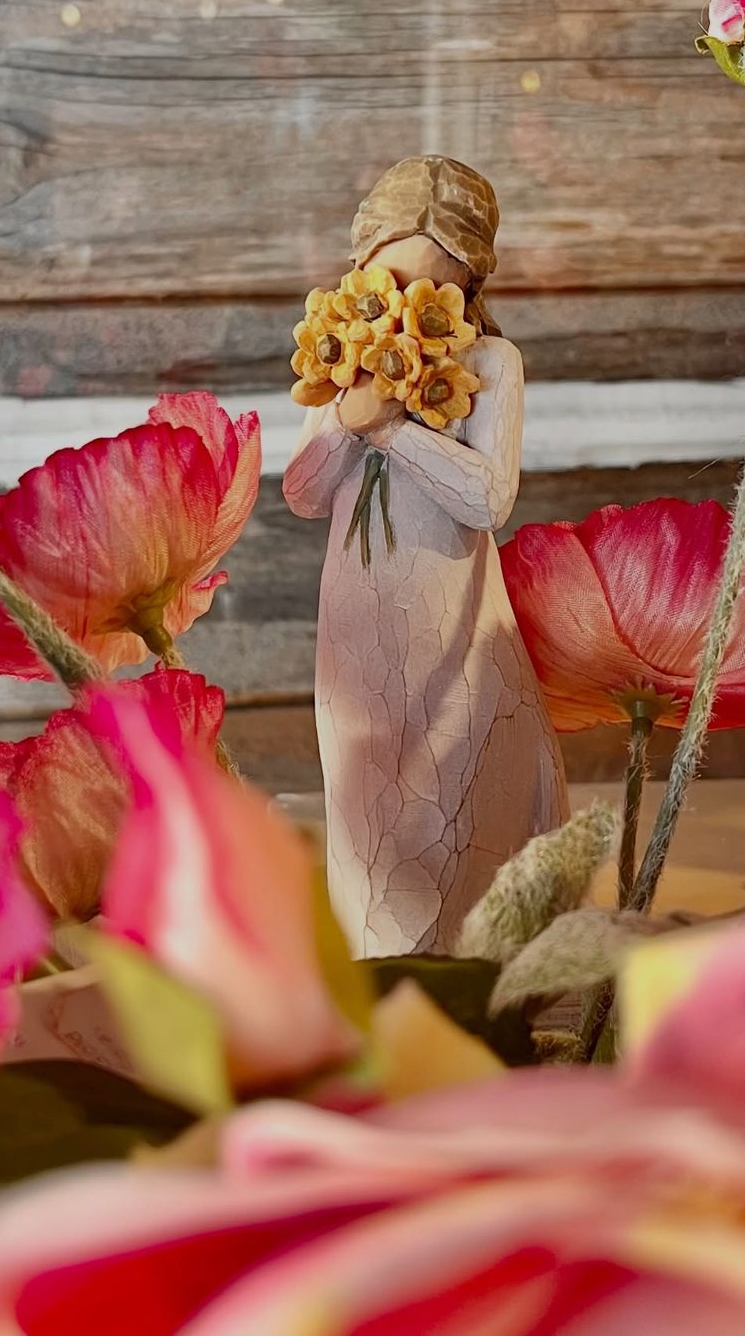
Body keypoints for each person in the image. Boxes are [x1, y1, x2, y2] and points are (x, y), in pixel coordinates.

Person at [283, 156, 568, 957]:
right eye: (389, 281)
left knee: (453, 778)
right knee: (365, 783)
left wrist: (391, 430)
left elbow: (486, 500)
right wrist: (346, 416)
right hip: (357, 618)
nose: (403, 307)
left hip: (450, 612)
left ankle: (469, 956)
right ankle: (379, 962)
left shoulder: (488, 365)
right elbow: (303, 492)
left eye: (427, 286)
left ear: (466, 284)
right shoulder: (338, 362)